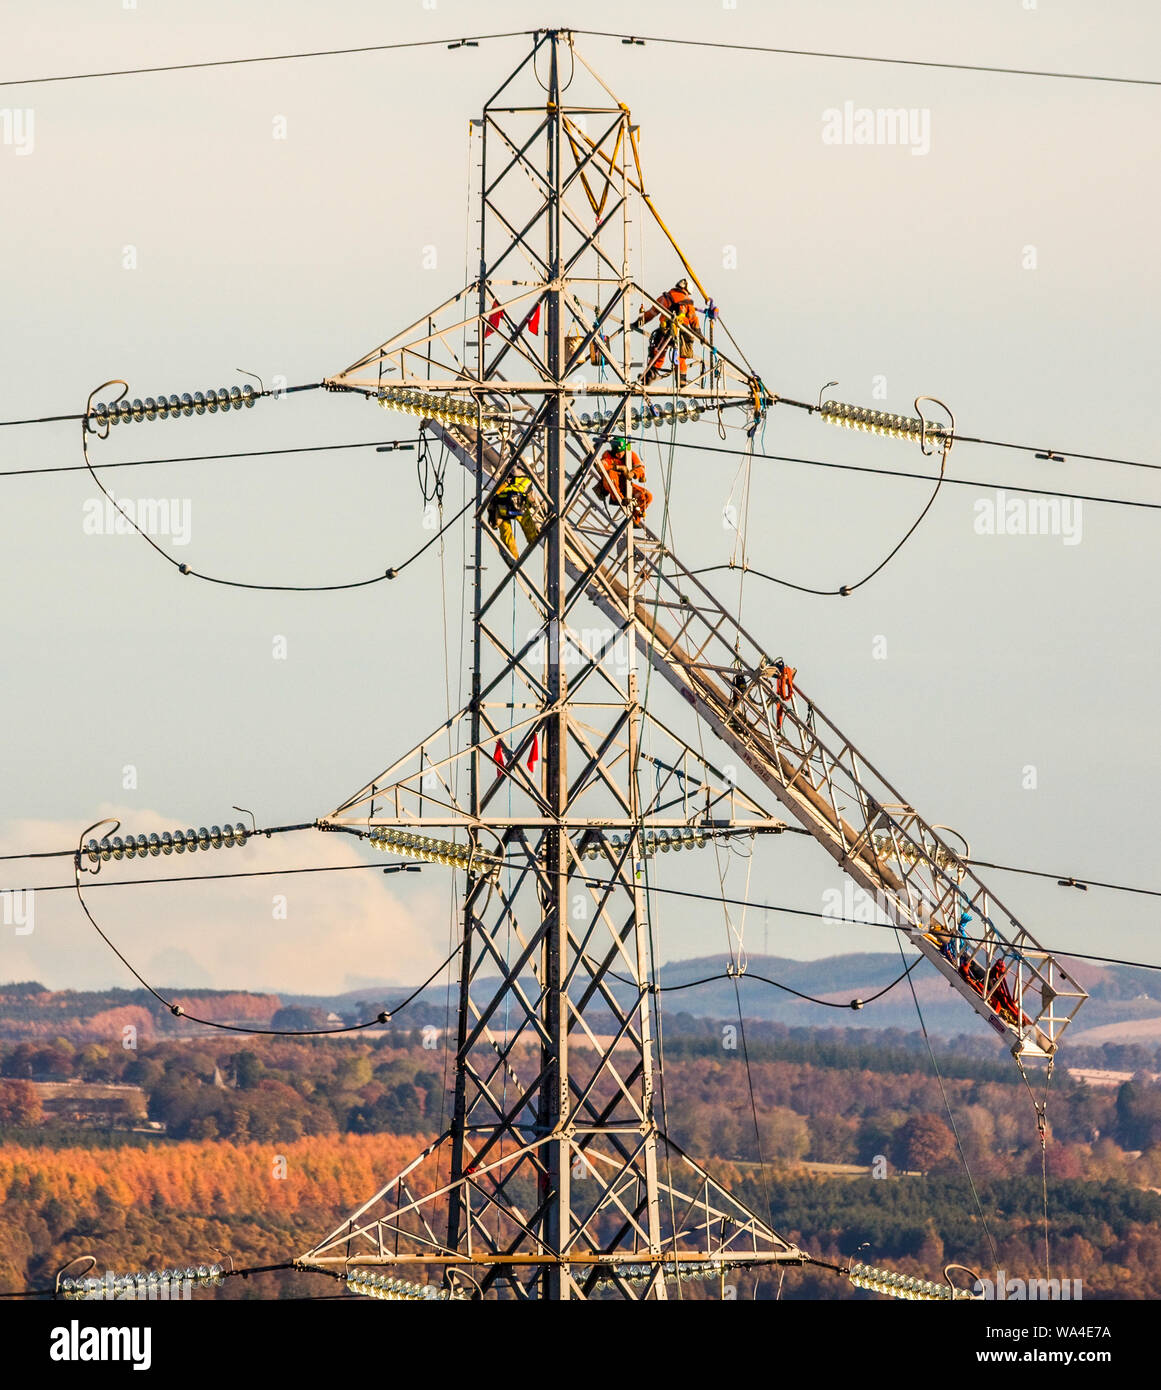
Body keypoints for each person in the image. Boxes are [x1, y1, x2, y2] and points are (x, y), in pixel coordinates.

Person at [634, 277, 699, 387]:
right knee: (680, 357)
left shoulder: (664, 298)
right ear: (687, 290)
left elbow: (650, 314)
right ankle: (681, 380)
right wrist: (699, 334)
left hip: (665, 331)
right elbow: (694, 320)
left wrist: (637, 323)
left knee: (658, 352)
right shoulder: (688, 302)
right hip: (681, 333)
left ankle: (650, 374)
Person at [596, 437, 651, 525]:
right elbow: (602, 467)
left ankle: (636, 517)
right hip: (614, 486)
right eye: (617, 453)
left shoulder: (630, 455)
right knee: (611, 474)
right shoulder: (608, 456)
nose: (619, 455)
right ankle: (619, 498)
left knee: (647, 496)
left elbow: (640, 467)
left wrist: (633, 473)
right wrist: (619, 468)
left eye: (621, 452)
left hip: (626, 485)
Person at [487, 471, 540, 559]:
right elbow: (530, 498)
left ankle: (512, 556)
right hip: (517, 504)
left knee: (506, 533)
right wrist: (533, 504)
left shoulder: (509, 476)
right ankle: (533, 538)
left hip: (502, 504)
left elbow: (498, 491)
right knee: (526, 522)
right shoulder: (527, 481)